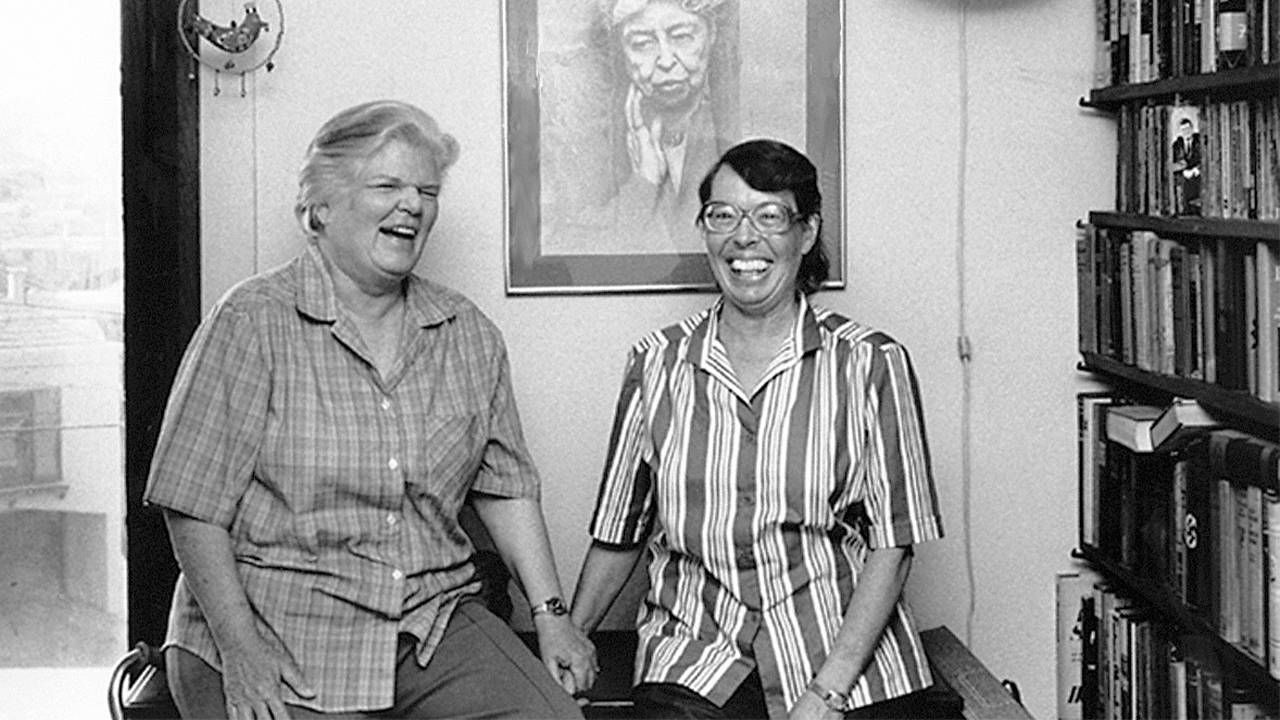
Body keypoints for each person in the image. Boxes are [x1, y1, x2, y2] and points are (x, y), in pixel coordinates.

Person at [144, 100, 594, 719]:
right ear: (320, 207)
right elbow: (191, 508)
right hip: (271, 620)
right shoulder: (251, 321)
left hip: (428, 620)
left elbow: (507, 490)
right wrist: (240, 651)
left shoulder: (467, 332)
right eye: (387, 185)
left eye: (426, 191)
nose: (413, 204)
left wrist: (553, 619)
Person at [570, 139, 945, 719]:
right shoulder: (655, 364)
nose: (744, 238)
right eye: (724, 216)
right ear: (706, 231)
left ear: (807, 231)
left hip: (849, 663)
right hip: (694, 662)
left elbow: (893, 545)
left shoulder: (872, 363)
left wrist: (827, 692)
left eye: (770, 216)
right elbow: (621, 532)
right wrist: (571, 636)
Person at [597, 0, 732, 252]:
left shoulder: (733, 129)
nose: (666, 60)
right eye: (642, 44)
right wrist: (644, 183)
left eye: (682, 37)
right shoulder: (593, 148)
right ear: (621, 52)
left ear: (711, 35)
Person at [1171, 116, 1201, 215]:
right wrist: (1183, 171)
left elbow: (1206, 159)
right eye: (1183, 130)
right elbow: (1171, 164)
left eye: (1188, 129)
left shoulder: (1199, 142)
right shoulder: (1176, 145)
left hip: (1198, 175)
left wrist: (1197, 169)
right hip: (1183, 177)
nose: (1186, 132)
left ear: (1192, 129)